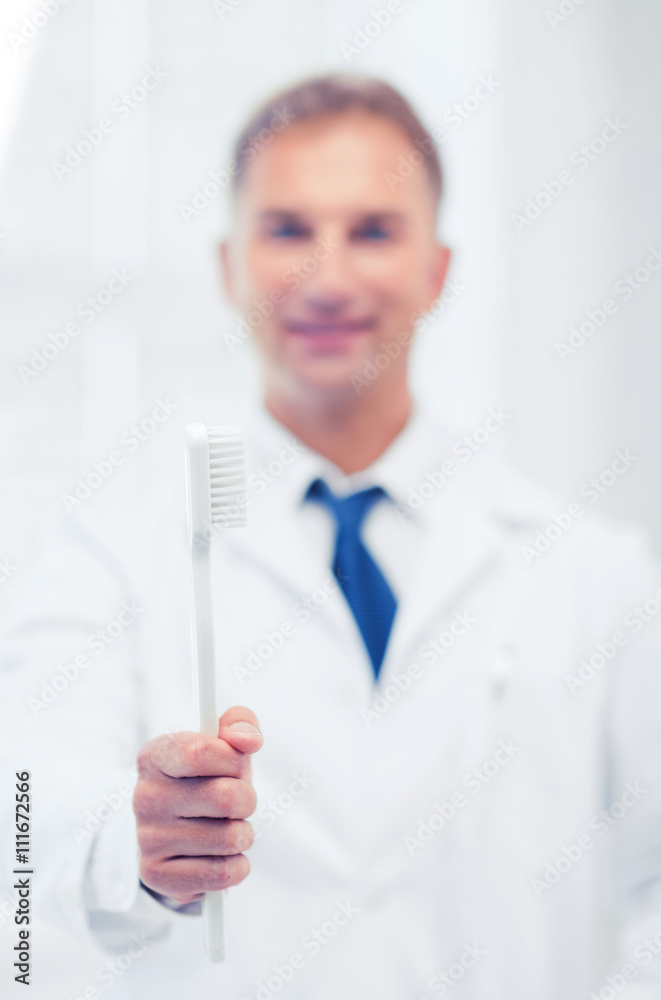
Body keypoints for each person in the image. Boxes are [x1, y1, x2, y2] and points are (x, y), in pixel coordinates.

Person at [2, 74, 661, 1000]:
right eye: (286, 230)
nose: (327, 275)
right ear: (229, 263)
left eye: (373, 231)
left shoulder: (591, 568)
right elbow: (25, 819)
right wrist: (136, 842)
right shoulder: (109, 551)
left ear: (436, 268)